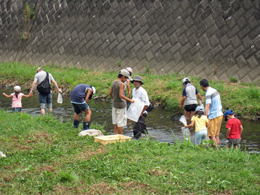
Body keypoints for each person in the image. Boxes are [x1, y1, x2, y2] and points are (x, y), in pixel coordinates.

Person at [109, 69, 135, 134]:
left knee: (115, 122)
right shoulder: (121, 84)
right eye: (126, 78)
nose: (126, 80)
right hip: (121, 106)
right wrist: (130, 100)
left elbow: (110, 93)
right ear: (123, 76)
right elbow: (121, 95)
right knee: (120, 123)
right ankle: (120, 137)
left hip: (114, 105)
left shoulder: (114, 82)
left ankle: (115, 135)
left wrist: (114, 99)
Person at [200, 79, 223, 146]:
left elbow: (207, 105)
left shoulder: (208, 93)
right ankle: (218, 148)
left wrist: (205, 117)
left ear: (201, 86)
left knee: (211, 135)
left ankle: (215, 149)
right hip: (220, 114)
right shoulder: (214, 90)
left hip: (213, 116)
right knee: (216, 135)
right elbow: (220, 101)